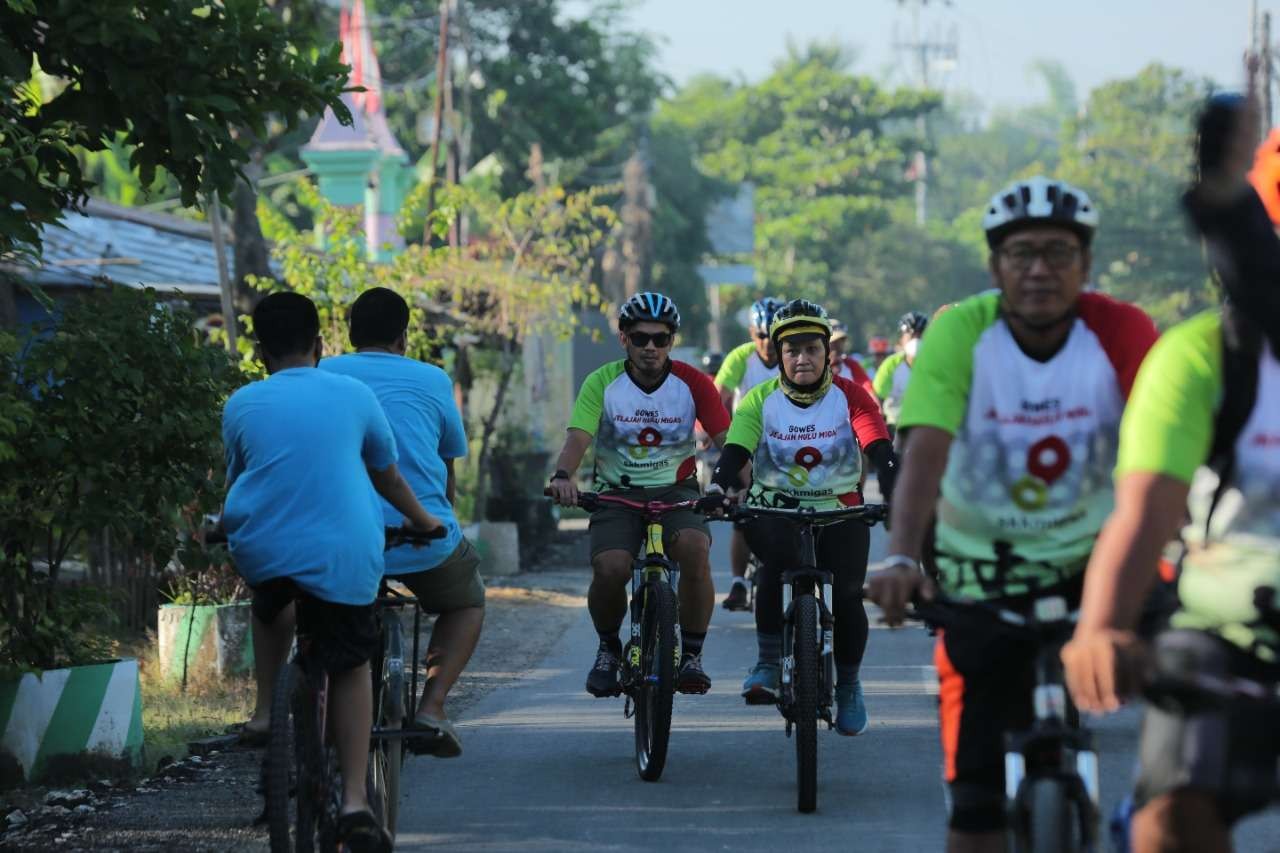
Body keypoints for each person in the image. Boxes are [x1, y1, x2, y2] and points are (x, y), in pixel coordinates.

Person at [866, 176, 1159, 853]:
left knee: (1192, 730)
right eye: (1021, 252)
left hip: (1100, 571)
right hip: (979, 576)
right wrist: (902, 556)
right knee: (974, 809)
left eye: (1059, 252)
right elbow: (925, 454)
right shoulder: (961, 332)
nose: (1038, 269)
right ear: (995, 266)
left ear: (1086, 266)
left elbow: (1162, 463)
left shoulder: (1122, 330)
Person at [1062, 79, 1280, 853]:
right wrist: (1102, 625)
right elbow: (1146, 511)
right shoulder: (1198, 359)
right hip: (1231, 630)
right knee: (1173, 820)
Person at [222, 292, 443, 853]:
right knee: (349, 664)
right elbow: (388, 478)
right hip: (345, 551)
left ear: (260, 351)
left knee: (271, 598)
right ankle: (352, 801)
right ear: (320, 344)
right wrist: (426, 521)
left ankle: (265, 710)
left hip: (263, 546)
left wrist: (222, 526)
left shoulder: (242, 403)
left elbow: (241, 479)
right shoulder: (354, 394)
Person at [711, 299, 896, 734]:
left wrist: (896, 489)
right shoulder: (759, 399)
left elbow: (879, 448)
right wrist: (719, 488)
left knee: (849, 596)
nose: (802, 358)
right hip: (776, 509)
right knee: (773, 570)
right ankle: (768, 662)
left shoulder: (851, 396)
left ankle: (849, 686)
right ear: (777, 354)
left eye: (812, 348)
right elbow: (735, 450)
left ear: (826, 351)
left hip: (840, 510)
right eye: (791, 350)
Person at [320, 287, 484, 758]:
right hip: (421, 536)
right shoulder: (432, 379)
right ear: (403, 337)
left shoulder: (325, 373)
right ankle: (431, 707)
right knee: (467, 601)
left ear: (349, 334)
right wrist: (442, 519)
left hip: (340, 539)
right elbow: (446, 467)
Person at [547, 292, 731, 696]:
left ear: (672, 341)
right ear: (623, 339)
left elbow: (727, 442)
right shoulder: (602, 382)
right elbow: (578, 438)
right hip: (618, 492)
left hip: (677, 490)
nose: (650, 348)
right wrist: (564, 476)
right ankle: (609, 649)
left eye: (660, 339)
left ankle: (692, 655)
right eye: (640, 338)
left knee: (696, 550)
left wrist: (731, 485)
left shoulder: (693, 382)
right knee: (611, 567)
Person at [715, 296, 785, 611]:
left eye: (774, 336)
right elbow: (719, 399)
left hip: (785, 444)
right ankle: (738, 582)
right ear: (751, 332)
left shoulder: (790, 356)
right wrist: (714, 434)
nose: (767, 343)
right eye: (760, 336)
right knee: (743, 512)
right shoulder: (740, 358)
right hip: (746, 441)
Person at [871, 311, 929, 432]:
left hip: (926, 425)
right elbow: (877, 397)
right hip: (895, 427)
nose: (916, 339)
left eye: (920, 334)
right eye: (911, 335)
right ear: (902, 339)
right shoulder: (891, 364)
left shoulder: (934, 363)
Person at [830, 320, 877, 397]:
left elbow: (868, 390)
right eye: (833, 343)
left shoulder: (851, 365)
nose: (838, 347)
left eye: (841, 341)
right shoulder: (815, 369)